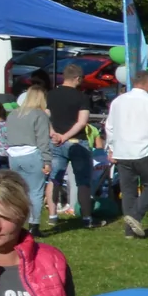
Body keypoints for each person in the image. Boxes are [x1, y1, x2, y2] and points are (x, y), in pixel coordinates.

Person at [105, 72, 148, 238]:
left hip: (122, 151)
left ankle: (129, 230)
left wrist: (111, 147)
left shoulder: (118, 101)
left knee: (128, 191)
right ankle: (135, 216)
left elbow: (109, 127)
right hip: (143, 150)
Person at [44, 64, 93, 227]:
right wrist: (65, 136)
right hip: (77, 141)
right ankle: (86, 218)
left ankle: (52, 216)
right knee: (82, 180)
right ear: (77, 78)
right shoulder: (81, 97)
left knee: (54, 178)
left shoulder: (50, 95)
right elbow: (82, 122)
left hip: (56, 141)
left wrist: (54, 134)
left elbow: (46, 117)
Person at [0, 92, 50, 228]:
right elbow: (43, 140)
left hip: (13, 155)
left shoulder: (13, 114)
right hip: (32, 153)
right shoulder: (39, 114)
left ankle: (16, 222)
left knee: (19, 191)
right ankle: (34, 226)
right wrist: (47, 160)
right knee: (36, 192)